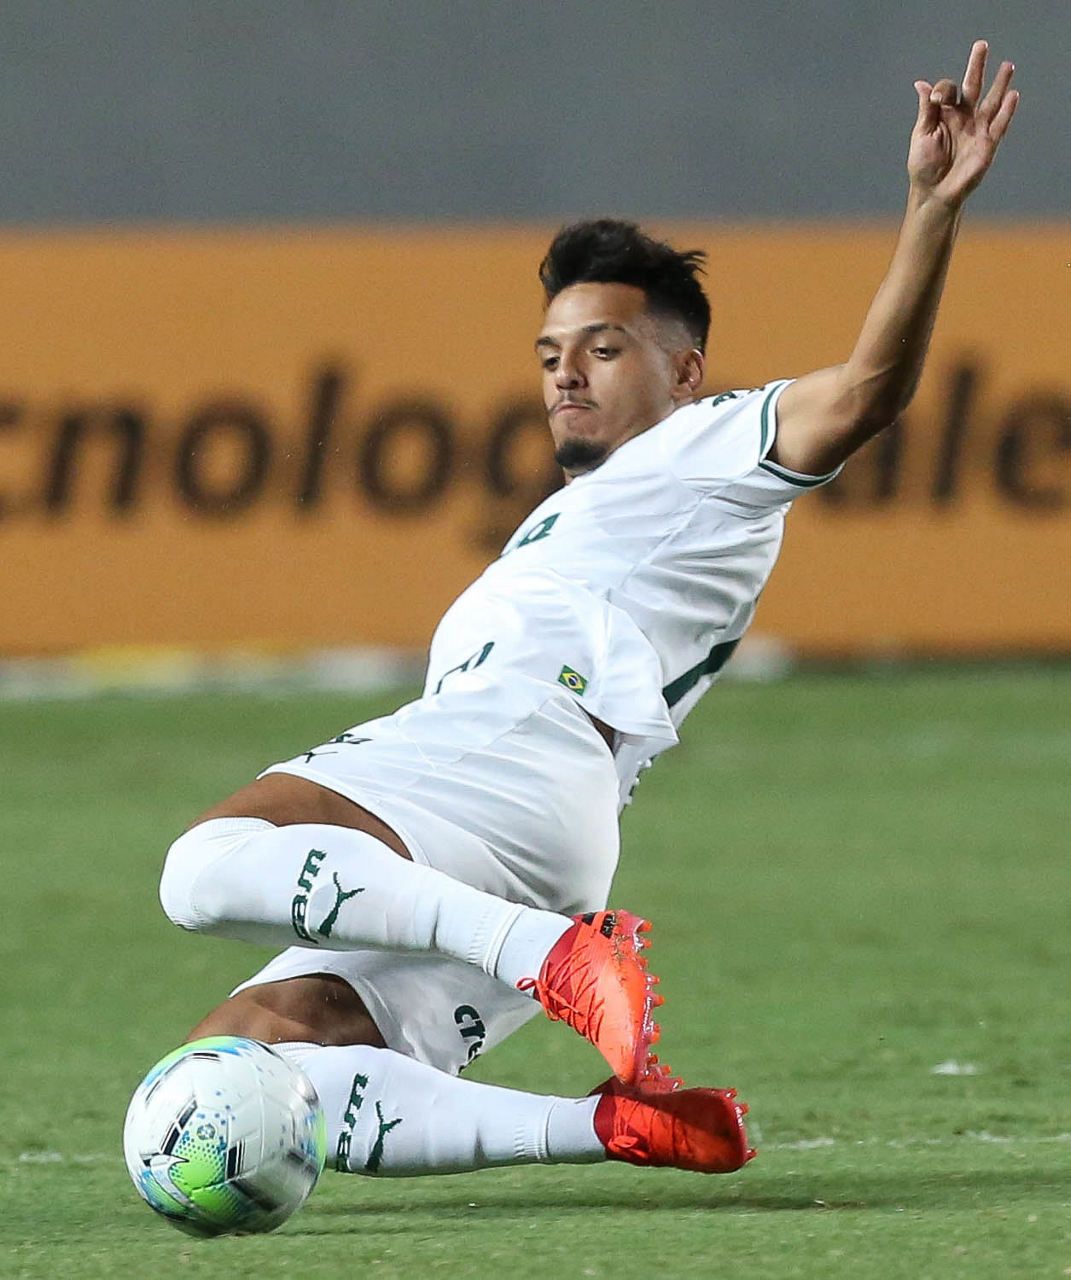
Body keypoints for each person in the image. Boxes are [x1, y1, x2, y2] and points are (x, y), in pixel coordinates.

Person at [154, 43, 1018, 1182]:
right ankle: (609, 1124)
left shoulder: (705, 449)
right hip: (555, 832)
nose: (566, 373)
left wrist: (929, 209)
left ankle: (551, 954)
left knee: (205, 865)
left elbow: (864, 391)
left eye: (604, 350)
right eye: (551, 354)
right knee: (245, 1061)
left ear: (686, 373)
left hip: (515, 747)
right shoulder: (595, 514)